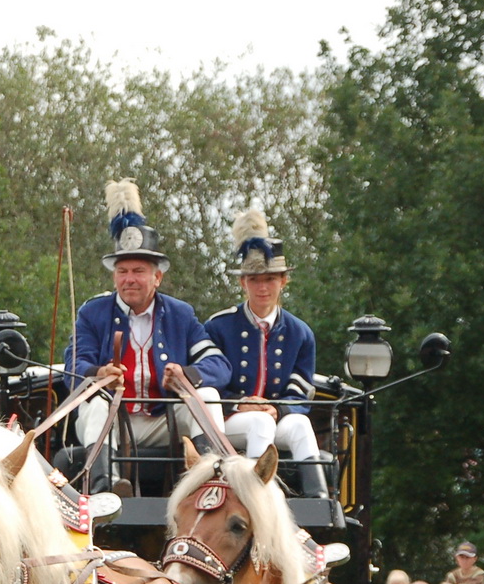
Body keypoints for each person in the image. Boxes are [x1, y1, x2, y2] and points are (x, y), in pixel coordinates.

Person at [64, 180, 229, 493]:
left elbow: (218, 364)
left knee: (206, 396)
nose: (129, 280)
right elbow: (73, 365)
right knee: (97, 403)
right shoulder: (92, 313)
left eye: (138, 271)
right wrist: (99, 374)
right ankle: (104, 486)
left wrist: (187, 374)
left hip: (161, 421)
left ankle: (211, 482)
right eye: (122, 271)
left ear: (157, 277)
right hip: (111, 422)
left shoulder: (180, 314)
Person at [204, 209, 326, 497]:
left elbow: (301, 390)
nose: (262, 287)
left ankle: (320, 498)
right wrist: (241, 403)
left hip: (275, 417)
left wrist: (278, 408)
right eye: (254, 279)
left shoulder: (300, 332)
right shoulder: (218, 326)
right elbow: (208, 383)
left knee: (299, 424)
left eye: (270, 279)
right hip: (230, 419)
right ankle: (253, 497)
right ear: (242, 283)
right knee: (259, 422)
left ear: (284, 281)